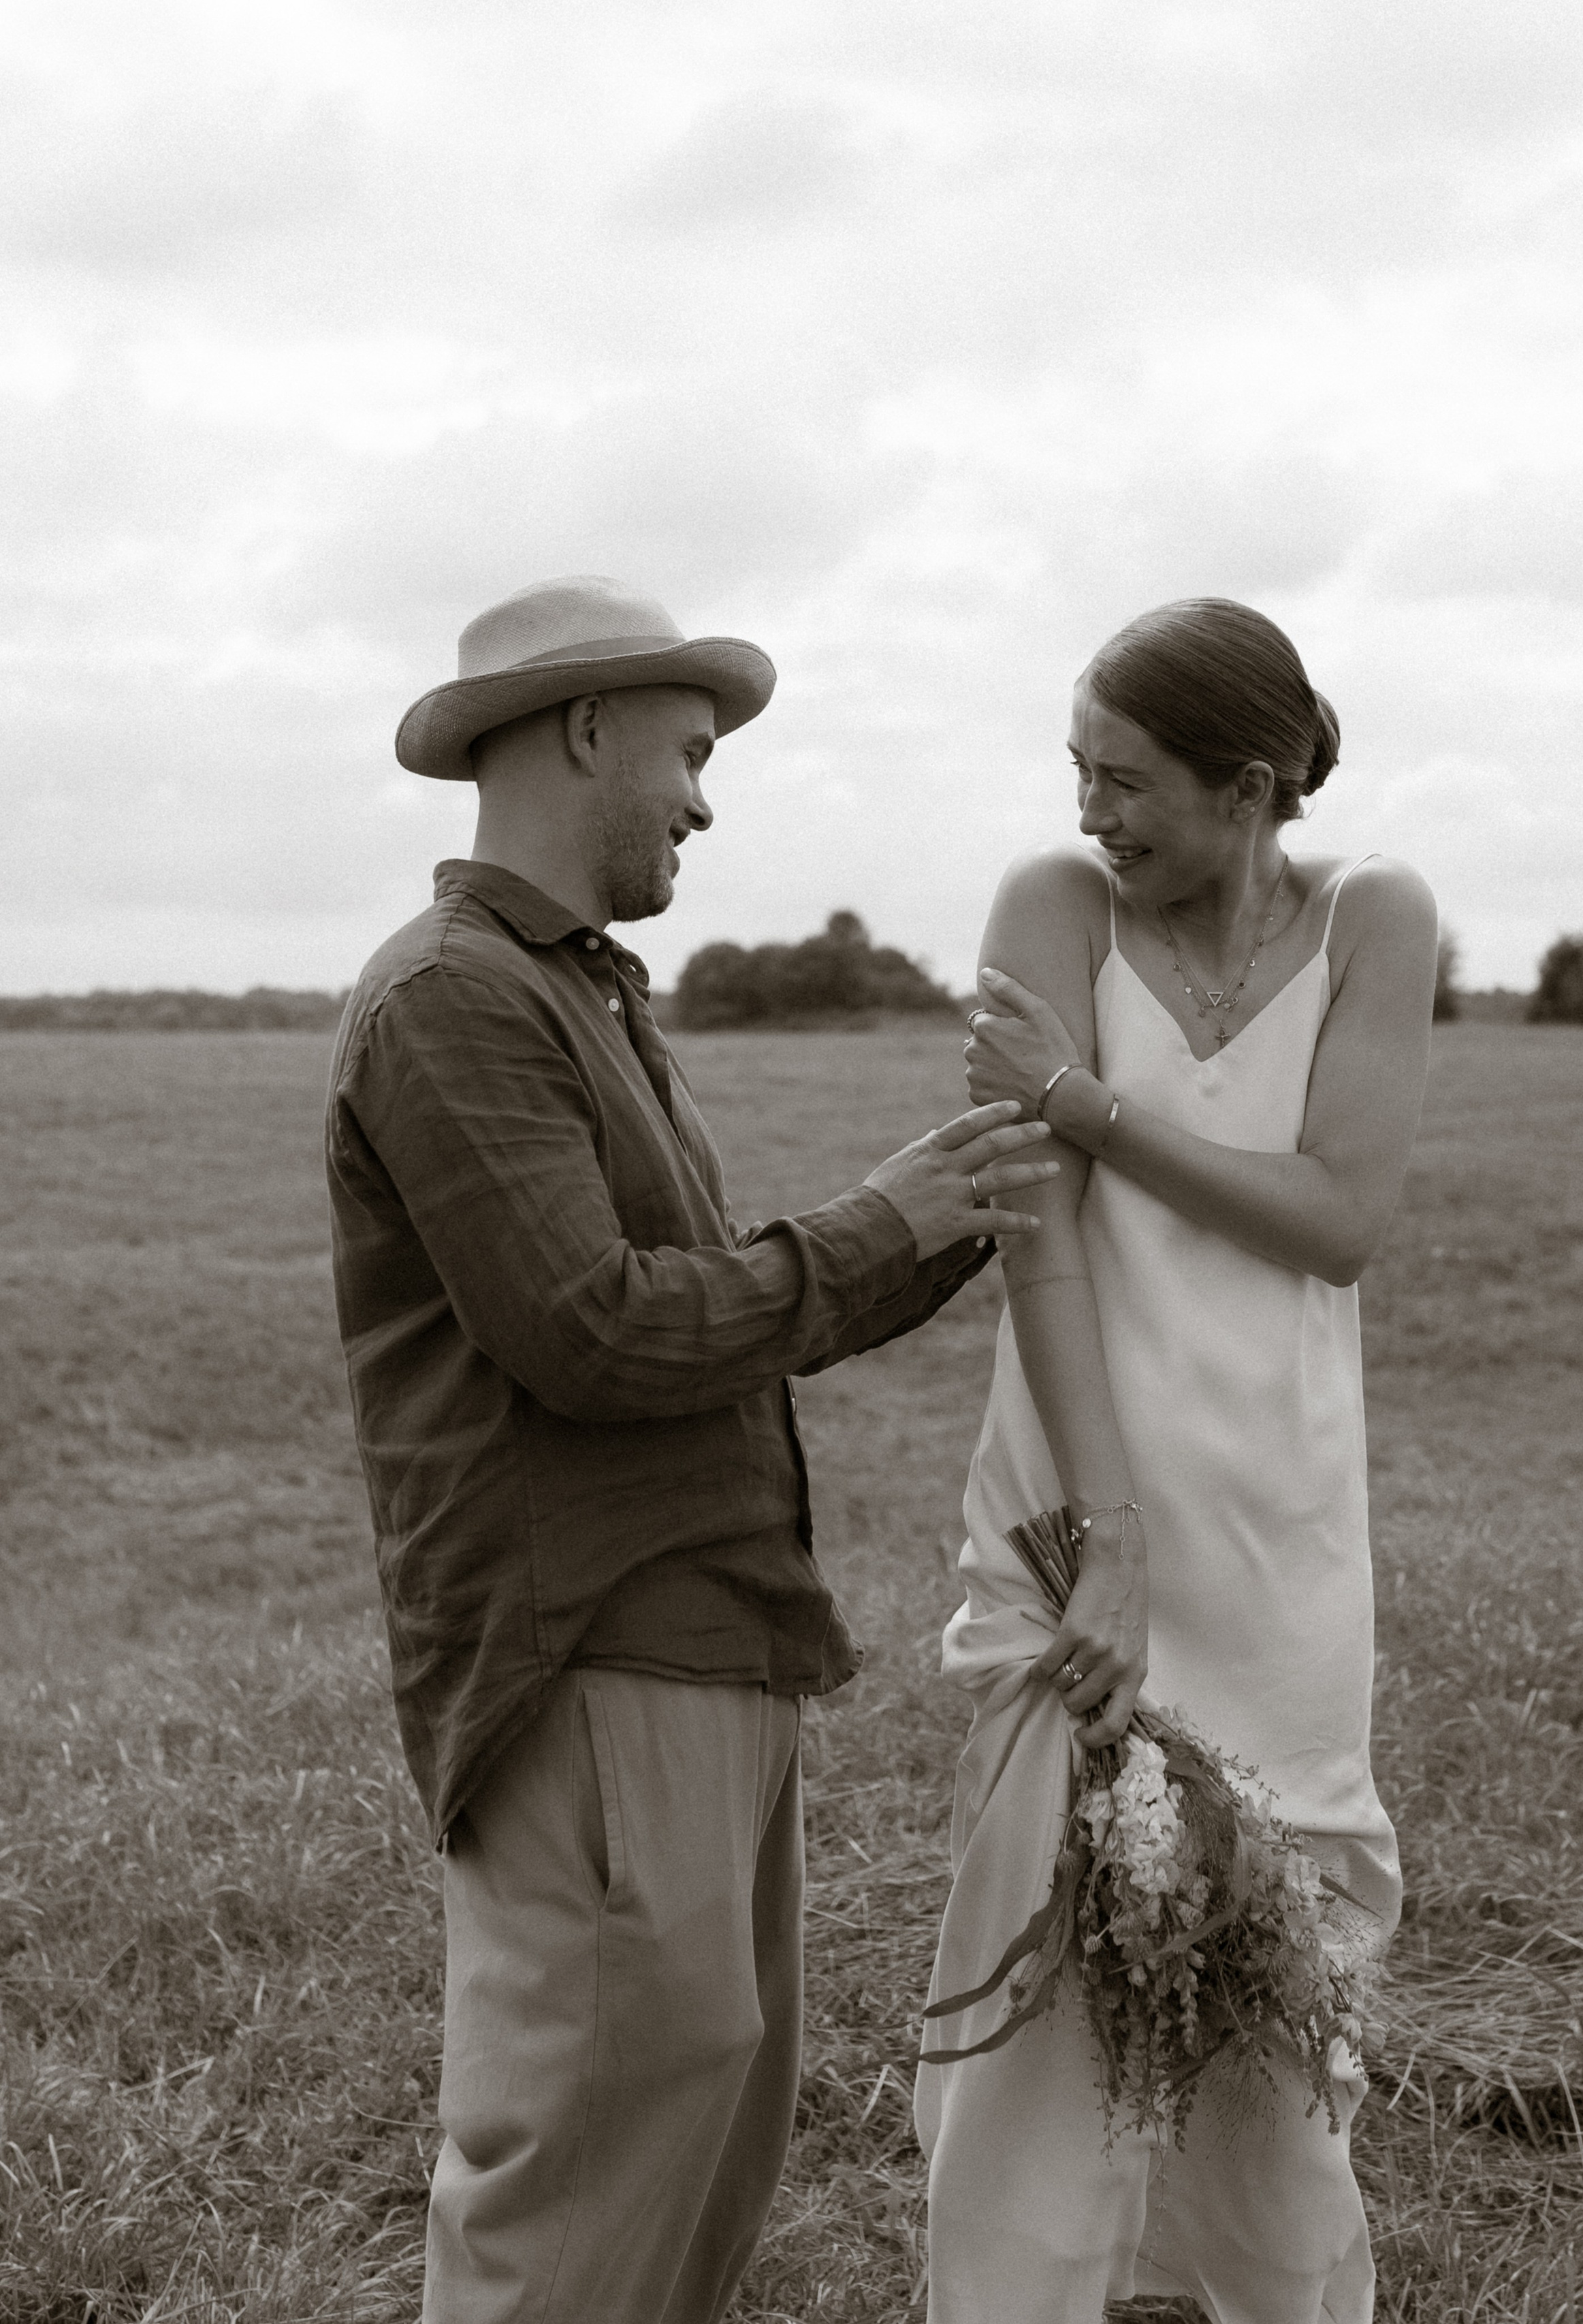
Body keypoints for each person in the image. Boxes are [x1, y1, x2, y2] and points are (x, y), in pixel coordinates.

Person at [323, 573, 1059, 2324]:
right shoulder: (450, 1000)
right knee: (576, 2176)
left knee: (697, 2135)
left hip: (702, 1637)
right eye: (691, 749)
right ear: (584, 729)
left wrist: (955, 1203)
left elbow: (730, 1310)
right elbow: (594, 1332)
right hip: (585, 1648)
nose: (707, 798)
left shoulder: (581, 994)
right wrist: (879, 1226)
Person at [915, 597, 1438, 2323]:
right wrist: (1105, 1537)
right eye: (1074, 769)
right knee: (1051, 2011)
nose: (1089, 811)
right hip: (1078, 1521)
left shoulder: (1376, 917)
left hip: (1281, 1538)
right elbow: (1035, 1241)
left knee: (1278, 2017)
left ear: (1253, 781)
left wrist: (1086, 1101)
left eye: (1125, 779)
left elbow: (1340, 1220)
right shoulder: (1047, 906)